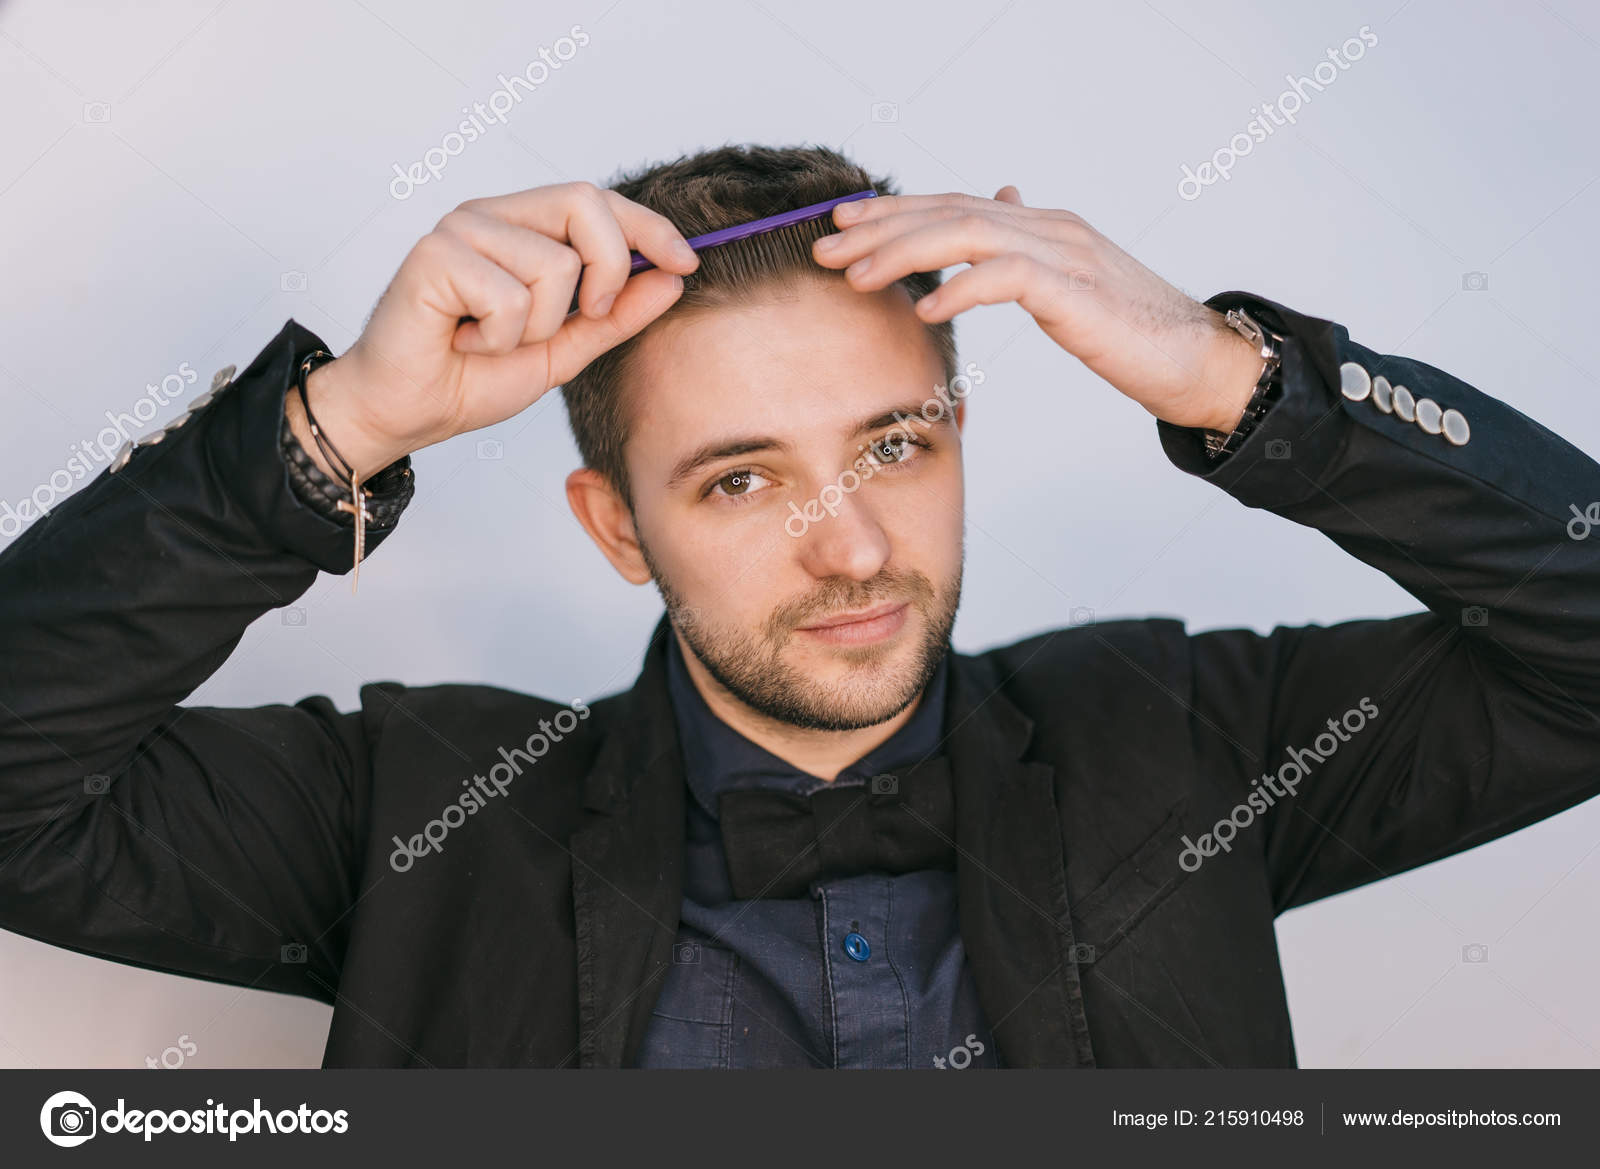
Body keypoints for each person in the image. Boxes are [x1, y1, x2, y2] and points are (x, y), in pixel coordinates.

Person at [1, 144, 1596, 1068]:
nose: (849, 550)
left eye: (893, 445)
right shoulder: (417, 817)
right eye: (742, 479)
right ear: (616, 527)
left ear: (960, 437)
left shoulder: (1192, 746)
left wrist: (1236, 375)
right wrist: (338, 423)